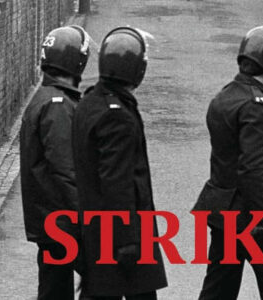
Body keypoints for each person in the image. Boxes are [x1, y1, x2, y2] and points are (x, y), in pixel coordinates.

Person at [192, 24, 263, 300]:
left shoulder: (225, 96)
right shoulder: (256, 105)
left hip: (222, 212)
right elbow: (252, 169)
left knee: (219, 288)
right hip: (249, 217)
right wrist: (262, 222)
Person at [73, 27, 167, 300]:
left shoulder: (89, 103)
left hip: (95, 229)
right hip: (124, 237)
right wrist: (128, 241)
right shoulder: (118, 117)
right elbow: (118, 183)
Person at [20, 25, 90, 300]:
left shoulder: (47, 97)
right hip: (62, 222)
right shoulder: (58, 104)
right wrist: (88, 216)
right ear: (78, 61)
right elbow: (65, 169)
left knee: (53, 288)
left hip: (49, 219)